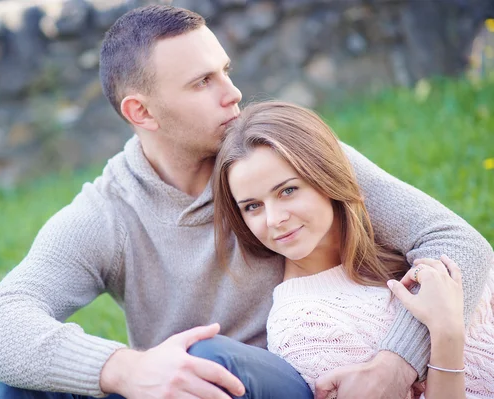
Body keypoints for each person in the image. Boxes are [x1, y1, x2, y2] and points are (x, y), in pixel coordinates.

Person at [0, 5, 493, 399]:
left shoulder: (277, 157)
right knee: (23, 384)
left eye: (226, 70)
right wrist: (124, 368)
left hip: (306, 379)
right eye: (203, 82)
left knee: (204, 359)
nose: (232, 92)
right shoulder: (107, 215)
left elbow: (457, 244)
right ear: (141, 112)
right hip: (192, 391)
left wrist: (395, 362)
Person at [212, 101, 494, 399]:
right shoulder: (305, 328)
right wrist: (446, 339)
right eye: (253, 206)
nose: (274, 220)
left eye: (288, 191)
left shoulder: (406, 248)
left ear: (326, 176)